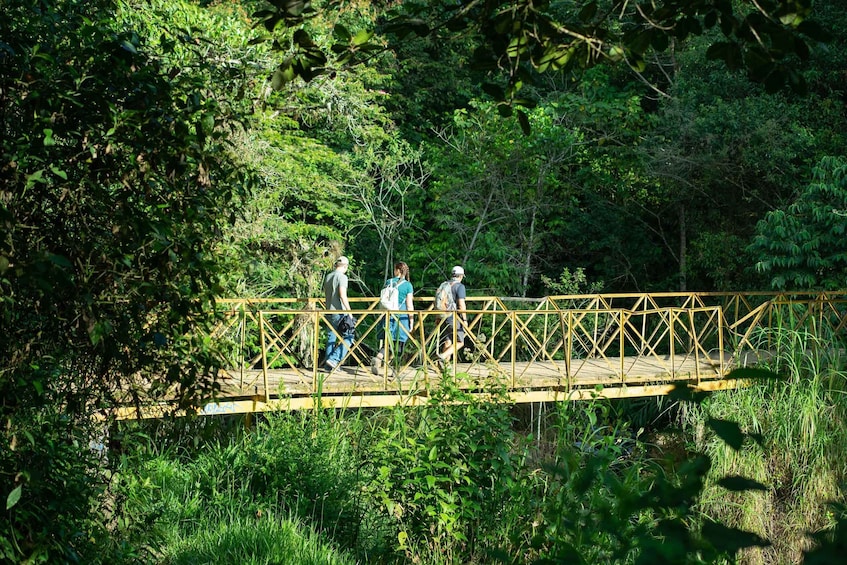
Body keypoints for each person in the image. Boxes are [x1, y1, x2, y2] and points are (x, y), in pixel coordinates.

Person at [371, 262, 415, 375]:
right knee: (399, 343)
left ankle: (378, 357)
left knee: (388, 342)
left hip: (388, 315)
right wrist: (411, 320)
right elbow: (409, 305)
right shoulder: (407, 285)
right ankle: (395, 370)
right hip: (402, 317)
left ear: (397, 270)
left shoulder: (388, 282)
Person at [322, 255, 353, 372]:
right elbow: (342, 295)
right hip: (339, 311)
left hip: (328, 310)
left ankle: (328, 366)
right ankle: (334, 360)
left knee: (331, 337)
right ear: (345, 266)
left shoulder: (328, 276)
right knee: (349, 337)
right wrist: (349, 312)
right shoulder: (342, 277)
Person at [436, 265, 467, 370]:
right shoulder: (460, 287)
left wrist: (437, 316)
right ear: (461, 276)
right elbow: (461, 304)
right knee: (460, 342)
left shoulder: (444, 284)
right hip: (452, 316)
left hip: (442, 316)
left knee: (448, 340)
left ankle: (444, 367)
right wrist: (464, 319)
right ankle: (443, 357)